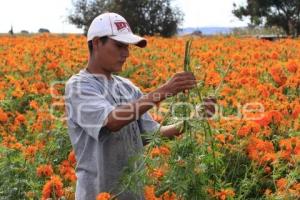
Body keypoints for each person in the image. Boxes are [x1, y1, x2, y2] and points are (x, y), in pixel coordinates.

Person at [65, 12, 207, 200]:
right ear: (97, 42)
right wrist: (165, 90)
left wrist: (193, 119)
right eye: (119, 46)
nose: (126, 53)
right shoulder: (79, 86)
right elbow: (111, 121)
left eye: (127, 47)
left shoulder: (127, 87)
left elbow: (151, 135)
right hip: (97, 195)